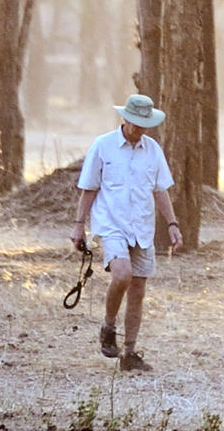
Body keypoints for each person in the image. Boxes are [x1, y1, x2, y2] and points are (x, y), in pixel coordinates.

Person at [74, 94, 181, 372]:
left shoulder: (153, 149)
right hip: (111, 223)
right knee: (122, 274)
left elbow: (160, 190)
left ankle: (130, 354)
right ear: (125, 118)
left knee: (138, 291)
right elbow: (89, 188)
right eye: (135, 123)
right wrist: (78, 226)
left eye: (145, 124)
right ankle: (108, 326)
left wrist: (172, 224)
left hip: (142, 226)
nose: (140, 129)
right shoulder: (103, 146)